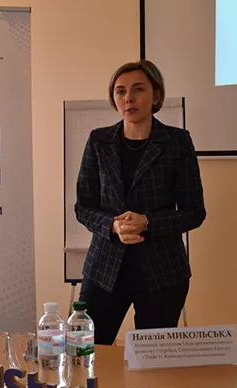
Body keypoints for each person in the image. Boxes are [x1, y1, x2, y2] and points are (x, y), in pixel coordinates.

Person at [74, 60, 207, 345]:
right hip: (104, 269)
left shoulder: (177, 142)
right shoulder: (99, 141)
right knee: (87, 352)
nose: (128, 98)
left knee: (152, 359)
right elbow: (83, 207)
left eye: (138, 89)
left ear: (156, 95)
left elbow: (194, 212)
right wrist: (113, 225)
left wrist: (147, 222)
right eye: (120, 91)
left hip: (162, 272)